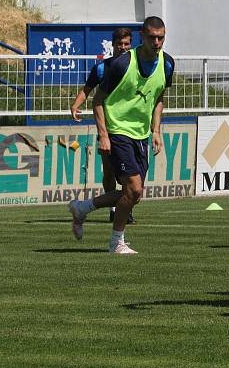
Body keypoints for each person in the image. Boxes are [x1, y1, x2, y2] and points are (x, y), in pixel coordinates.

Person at [68, 16, 175, 254]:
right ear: (142, 37)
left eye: (161, 38)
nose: (157, 42)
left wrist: (156, 130)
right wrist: (104, 135)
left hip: (141, 134)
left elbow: (158, 98)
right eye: (152, 37)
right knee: (134, 188)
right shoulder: (122, 64)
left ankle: (83, 208)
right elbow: (98, 100)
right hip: (117, 130)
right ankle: (117, 242)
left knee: (133, 195)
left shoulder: (167, 64)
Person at [69, 27, 135, 224]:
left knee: (128, 176)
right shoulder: (101, 68)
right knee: (108, 170)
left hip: (129, 127)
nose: (123, 47)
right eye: (120, 44)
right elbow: (87, 90)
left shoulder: (134, 67)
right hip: (107, 128)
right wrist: (75, 105)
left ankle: (125, 206)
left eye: (127, 44)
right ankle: (115, 208)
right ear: (113, 45)